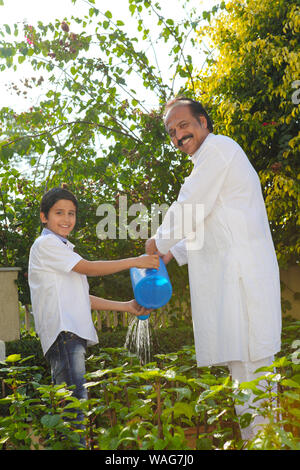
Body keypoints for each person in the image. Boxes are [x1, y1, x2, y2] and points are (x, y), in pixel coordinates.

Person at [145, 97, 282, 441]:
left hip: (244, 286)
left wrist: (158, 244)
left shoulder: (219, 150)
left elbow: (190, 206)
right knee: (247, 384)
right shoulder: (211, 162)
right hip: (235, 288)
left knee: (255, 383)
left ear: (204, 122)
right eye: (171, 131)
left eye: (183, 125)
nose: (177, 135)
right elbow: (208, 224)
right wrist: (172, 252)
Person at [28, 186, 159, 443]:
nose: (67, 219)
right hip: (64, 333)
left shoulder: (62, 249)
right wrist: (135, 261)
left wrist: (127, 306)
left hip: (70, 334)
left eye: (71, 213)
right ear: (44, 216)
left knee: (75, 405)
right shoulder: (46, 244)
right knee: (73, 408)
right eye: (59, 213)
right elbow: (88, 268)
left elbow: (82, 298)